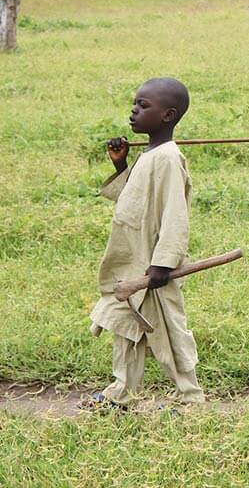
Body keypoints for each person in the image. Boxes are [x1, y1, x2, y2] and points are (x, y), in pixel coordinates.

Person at [82, 77, 206, 410]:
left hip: (153, 265)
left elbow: (174, 215)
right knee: (125, 328)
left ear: (168, 116)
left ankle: (190, 399)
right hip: (131, 262)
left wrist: (163, 264)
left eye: (143, 106)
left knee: (168, 332)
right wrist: (121, 164)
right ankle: (119, 394)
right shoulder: (150, 154)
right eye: (134, 104)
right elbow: (134, 201)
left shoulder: (166, 158)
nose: (134, 112)